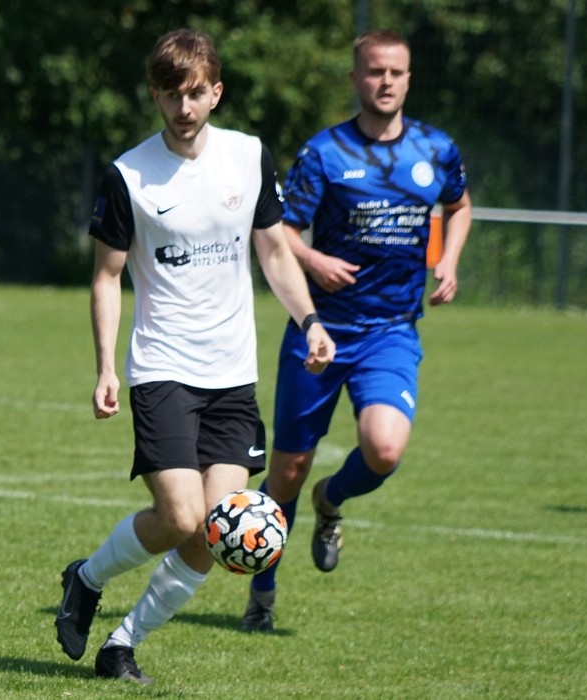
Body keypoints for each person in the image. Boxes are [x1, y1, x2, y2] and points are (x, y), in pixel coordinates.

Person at [53, 28, 335, 684]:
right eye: (170, 94)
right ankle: (86, 578)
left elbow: (274, 252)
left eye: (195, 93)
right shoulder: (129, 174)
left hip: (233, 374)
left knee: (218, 529)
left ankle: (122, 645)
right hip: (163, 368)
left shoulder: (248, 156)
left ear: (216, 93)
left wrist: (311, 321)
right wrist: (105, 367)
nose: (183, 107)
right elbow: (106, 276)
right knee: (180, 516)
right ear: (155, 95)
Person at [239, 28, 473, 633]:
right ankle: (261, 596)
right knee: (286, 471)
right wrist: (314, 260)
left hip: (391, 331)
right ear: (355, 78)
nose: (385, 81)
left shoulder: (436, 148)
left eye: (395, 72)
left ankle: (331, 499)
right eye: (374, 71)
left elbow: (459, 205)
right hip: (319, 331)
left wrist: (448, 260)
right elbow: (282, 229)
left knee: (385, 449)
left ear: (409, 79)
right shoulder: (325, 152)